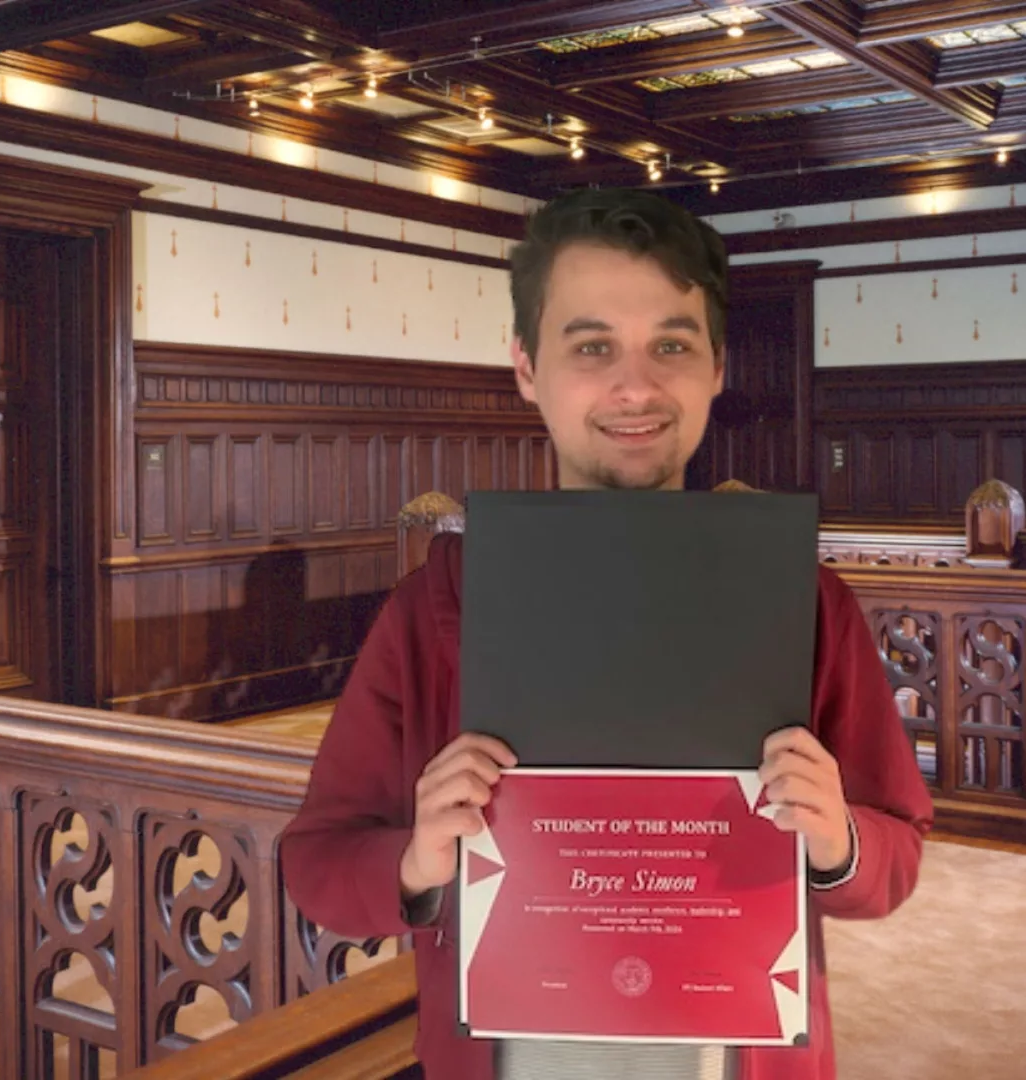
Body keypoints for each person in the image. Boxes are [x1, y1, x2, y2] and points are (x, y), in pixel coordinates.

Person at [277, 187, 934, 1080]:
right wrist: (417, 857)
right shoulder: (433, 608)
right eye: (592, 347)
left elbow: (895, 860)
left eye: (672, 344)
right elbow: (319, 866)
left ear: (715, 367)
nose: (636, 386)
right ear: (525, 365)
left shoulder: (804, 600)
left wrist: (839, 840)